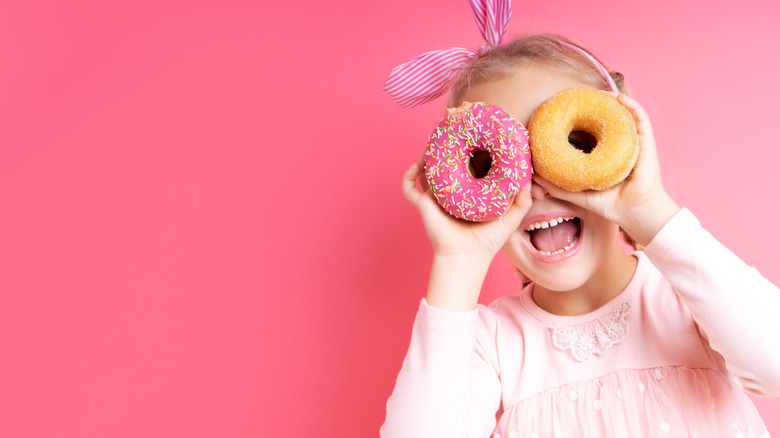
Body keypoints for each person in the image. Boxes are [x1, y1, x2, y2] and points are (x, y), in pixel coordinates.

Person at [380, 16, 780, 438]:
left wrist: (648, 209)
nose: (534, 188)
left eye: (571, 144)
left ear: (616, 148)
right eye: (492, 164)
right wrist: (457, 261)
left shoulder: (688, 298)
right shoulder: (492, 345)